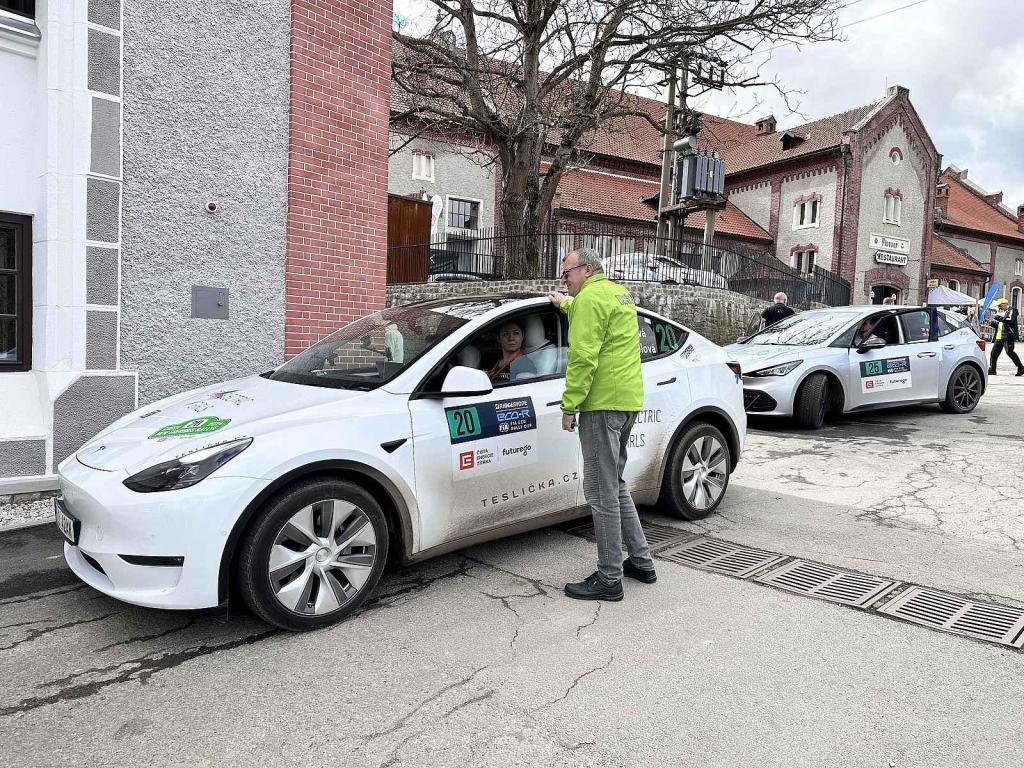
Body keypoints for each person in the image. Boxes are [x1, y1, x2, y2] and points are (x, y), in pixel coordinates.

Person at [548, 247, 656, 601]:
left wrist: (569, 406)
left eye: (567, 273)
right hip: (626, 400)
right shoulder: (616, 293)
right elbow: (596, 319)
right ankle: (641, 562)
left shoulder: (589, 301)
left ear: (587, 270)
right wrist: (566, 304)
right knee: (615, 484)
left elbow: (582, 358)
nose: (564, 279)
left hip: (601, 404)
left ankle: (609, 578)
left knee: (599, 490)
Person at [988, 297, 1024, 376]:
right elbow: (1001, 323)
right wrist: (993, 323)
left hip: (1008, 335)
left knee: (1009, 352)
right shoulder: (1003, 312)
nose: (999, 308)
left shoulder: (1012, 310)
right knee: (994, 353)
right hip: (999, 335)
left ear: (1004, 304)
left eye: (1000, 306)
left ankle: (1021, 367)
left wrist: (999, 317)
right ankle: (992, 369)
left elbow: (1010, 320)